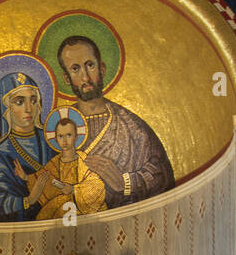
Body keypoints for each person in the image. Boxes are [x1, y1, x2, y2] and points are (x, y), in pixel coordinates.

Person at [56, 35, 175, 207]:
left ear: (102, 68)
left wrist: (125, 183)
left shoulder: (132, 127)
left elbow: (162, 175)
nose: (85, 77)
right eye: (75, 69)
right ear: (66, 78)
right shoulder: (57, 126)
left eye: (90, 65)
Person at [0, 71, 55, 222]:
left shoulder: (53, 141)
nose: (29, 108)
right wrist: (27, 201)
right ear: (6, 109)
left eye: (33, 100)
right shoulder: (0, 155)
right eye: (20, 102)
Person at [24, 111, 107, 220]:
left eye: (68, 135)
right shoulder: (54, 162)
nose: (64, 141)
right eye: (60, 136)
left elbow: (97, 185)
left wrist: (73, 189)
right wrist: (25, 177)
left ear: (76, 137)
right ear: (56, 139)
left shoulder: (85, 160)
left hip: (82, 209)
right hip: (61, 207)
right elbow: (43, 178)